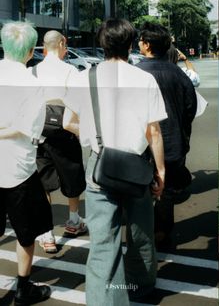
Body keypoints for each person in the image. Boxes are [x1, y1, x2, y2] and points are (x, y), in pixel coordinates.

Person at [64, 18, 167, 305]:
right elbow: (154, 131)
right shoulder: (145, 79)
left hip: (100, 166)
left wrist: (94, 137)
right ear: (131, 43)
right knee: (141, 233)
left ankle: (105, 300)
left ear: (102, 44)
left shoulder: (85, 77)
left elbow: (68, 121)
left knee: (103, 243)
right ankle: (141, 288)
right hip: (137, 166)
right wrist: (160, 170)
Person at [0, 21, 52, 305]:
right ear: (31, 51)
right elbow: (27, 129)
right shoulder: (32, 85)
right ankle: (23, 287)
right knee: (25, 231)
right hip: (18, 168)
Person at [137, 22, 197, 243]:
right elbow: (190, 108)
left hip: (142, 144)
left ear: (147, 45)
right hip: (173, 143)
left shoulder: (137, 73)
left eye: (141, 40)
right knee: (166, 190)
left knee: (141, 190)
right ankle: (162, 234)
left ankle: (142, 234)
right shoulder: (178, 74)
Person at [32, 30, 87, 254]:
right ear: (63, 44)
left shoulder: (33, 70)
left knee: (43, 181)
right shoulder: (71, 71)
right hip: (65, 131)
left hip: (39, 131)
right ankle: (73, 221)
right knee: (72, 176)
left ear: (44, 47)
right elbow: (79, 103)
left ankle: (46, 235)